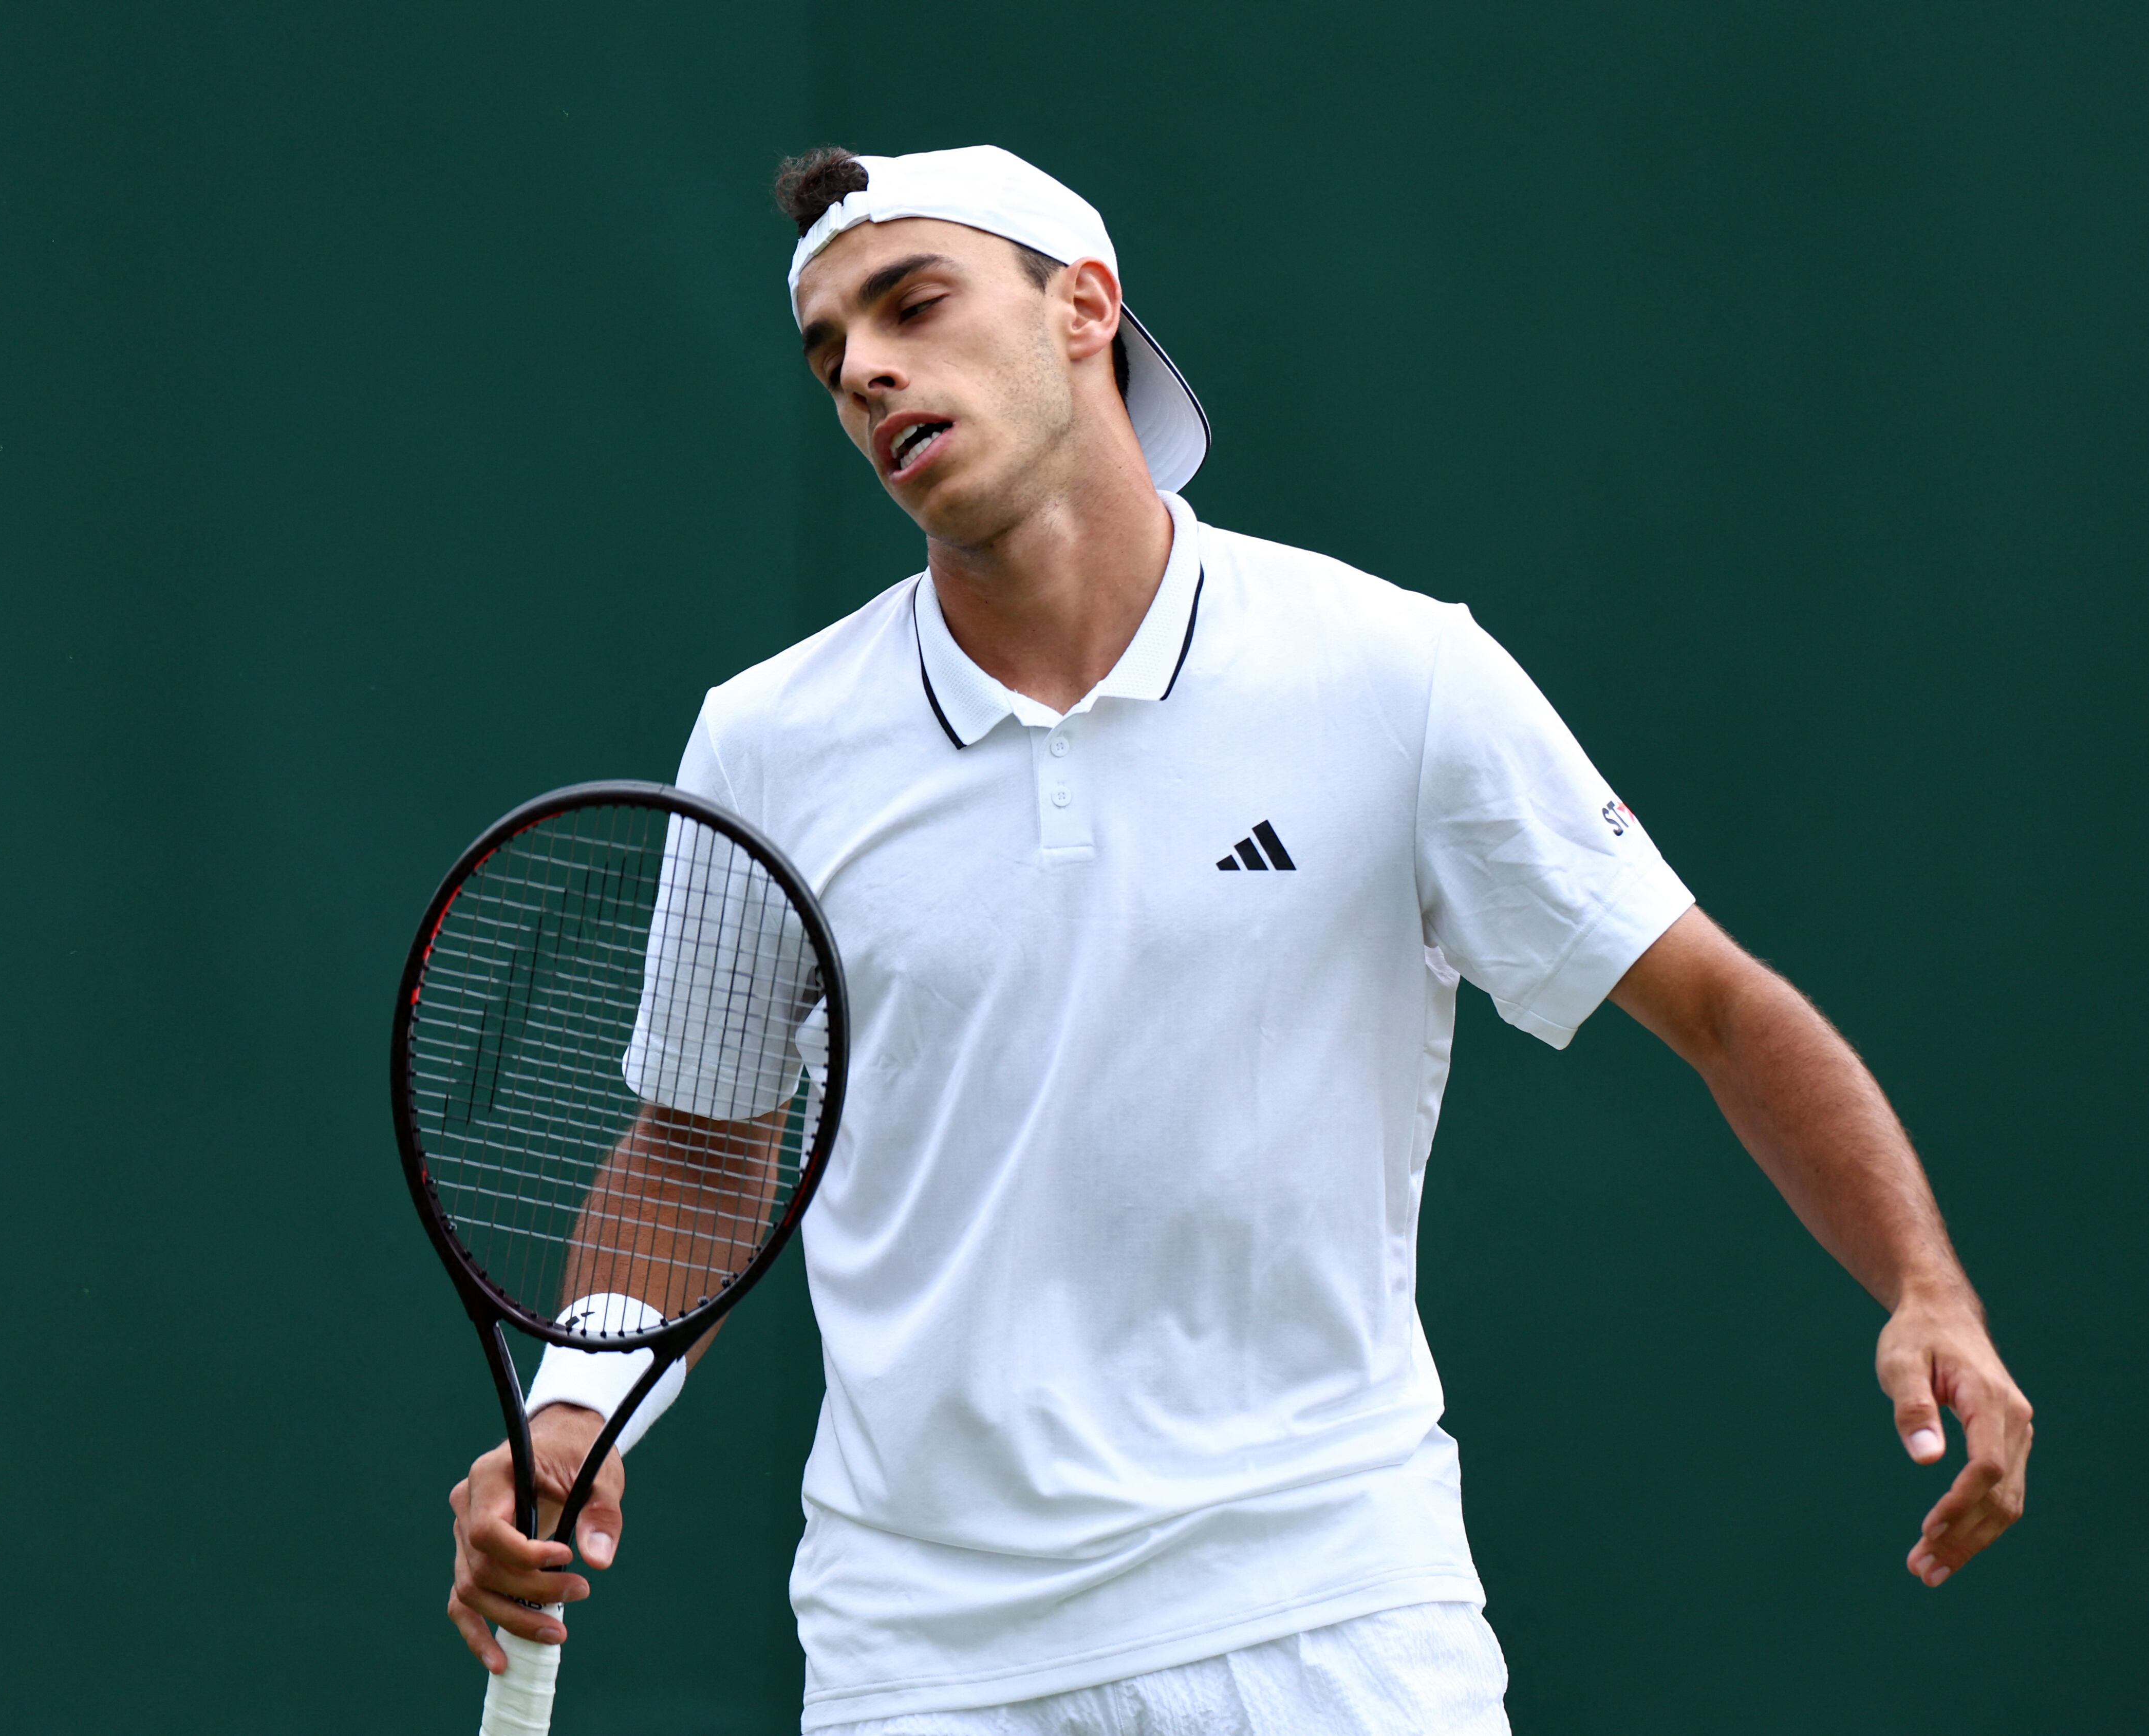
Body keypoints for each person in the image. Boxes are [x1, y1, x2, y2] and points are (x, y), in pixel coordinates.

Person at [445, 144, 2034, 1732]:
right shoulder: (769, 744)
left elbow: (1719, 1006)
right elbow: (702, 1146)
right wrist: (581, 1404)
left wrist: (1924, 1284)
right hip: (926, 1662)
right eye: (831, 351)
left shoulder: (1396, 678)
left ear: (1087, 308)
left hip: (1336, 1622)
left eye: (913, 304)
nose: (866, 369)